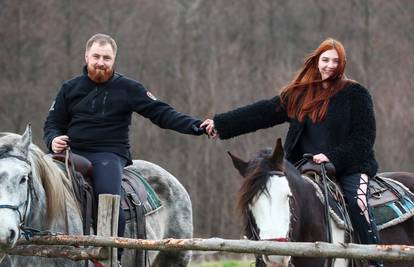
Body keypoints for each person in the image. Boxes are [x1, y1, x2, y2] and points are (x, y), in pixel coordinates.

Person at [201, 38, 383, 267]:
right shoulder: (300, 95)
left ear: (342, 64)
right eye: (325, 60)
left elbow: (364, 139)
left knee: (358, 203)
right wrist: (221, 124)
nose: (329, 66)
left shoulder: (356, 94)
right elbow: (262, 113)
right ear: (316, 61)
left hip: (349, 166)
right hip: (302, 167)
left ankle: (375, 260)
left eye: (335, 61)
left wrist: (333, 157)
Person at [44, 33, 205, 265]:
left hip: (108, 155)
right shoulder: (69, 88)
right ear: (86, 56)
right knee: (36, 183)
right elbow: (52, 122)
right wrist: (53, 139)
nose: (101, 62)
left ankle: (112, 257)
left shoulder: (128, 88)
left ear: (114, 60)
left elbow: (161, 113)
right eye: (96, 56)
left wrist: (195, 126)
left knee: (108, 194)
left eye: (107, 58)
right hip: (70, 153)